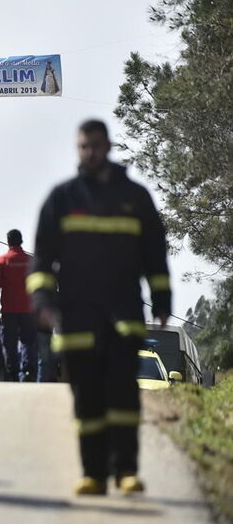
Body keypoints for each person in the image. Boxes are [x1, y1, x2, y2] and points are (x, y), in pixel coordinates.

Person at [28, 119, 171, 496]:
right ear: (79, 150)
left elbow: (155, 254)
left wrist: (163, 300)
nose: (90, 153)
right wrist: (42, 301)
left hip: (123, 315)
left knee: (123, 396)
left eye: (95, 145)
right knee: (86, 398)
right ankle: (92, 472)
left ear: (108, 146)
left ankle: (126, 471)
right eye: (83, 147)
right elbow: (41, 258)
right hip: (76, 317)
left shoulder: (136, 198)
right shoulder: (62, 198)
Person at [0, 229, 37, 382]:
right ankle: (28, 371)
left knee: (9, 343)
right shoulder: (31, 261)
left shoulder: (2, 261)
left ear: (8, 242)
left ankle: (13, 373)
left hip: (9, 311)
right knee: (28, 341)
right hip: (28, 309)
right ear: (21, 241)